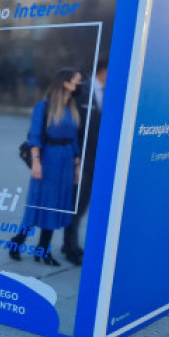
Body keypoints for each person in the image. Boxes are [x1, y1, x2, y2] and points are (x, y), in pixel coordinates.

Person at [9, 68, 82, 266]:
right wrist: (36, 162)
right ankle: (17, 242)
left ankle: (42, 250)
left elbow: (74, 139)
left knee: (56, 204)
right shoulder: (44, 106)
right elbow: (35, 136)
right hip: (48, 159)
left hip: (66, 162)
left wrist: (76, 167)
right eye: (77, 81)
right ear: (65, 83)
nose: (79, 85)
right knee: (39, 202)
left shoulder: (71, 108)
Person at [62, 58, 107, 265]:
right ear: (103, 70)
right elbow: (71, 123)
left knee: (85, 203)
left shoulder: (112, 92)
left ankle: (70, 244)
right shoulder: (81, 90)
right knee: (76, 205)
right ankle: (70, 247)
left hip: (99, 159)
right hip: (80, 157)